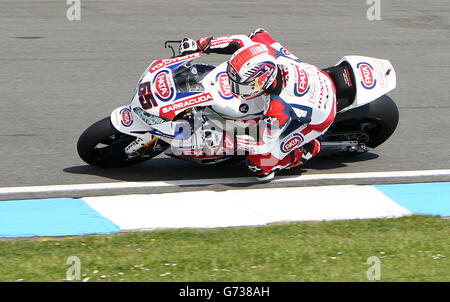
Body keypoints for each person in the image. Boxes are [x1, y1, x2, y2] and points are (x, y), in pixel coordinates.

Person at [179, 29, 336, 181]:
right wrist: (201, 45)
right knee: (256, 36)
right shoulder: (266, 51)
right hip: (317, 78)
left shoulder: (277, 107)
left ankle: (307, 149)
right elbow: (243, 40)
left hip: (322, 116)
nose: (234, 90)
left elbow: (262, 142)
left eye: (241, 87)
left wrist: (226, 140)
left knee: (260, 164)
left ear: (262, 81)